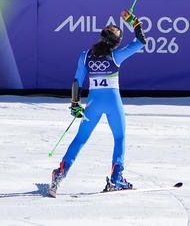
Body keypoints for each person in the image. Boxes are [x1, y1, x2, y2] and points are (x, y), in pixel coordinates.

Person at [48, 13, 146, 197]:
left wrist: (75, 103)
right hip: (113, 103)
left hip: (93, 104)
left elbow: (77, 80)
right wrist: (134, 22)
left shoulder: (85, 56)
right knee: (119, 137)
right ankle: (116, 178)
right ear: (117, 43)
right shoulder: (117, 55)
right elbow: (141, 41)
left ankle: (60, 172)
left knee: (80, 139)